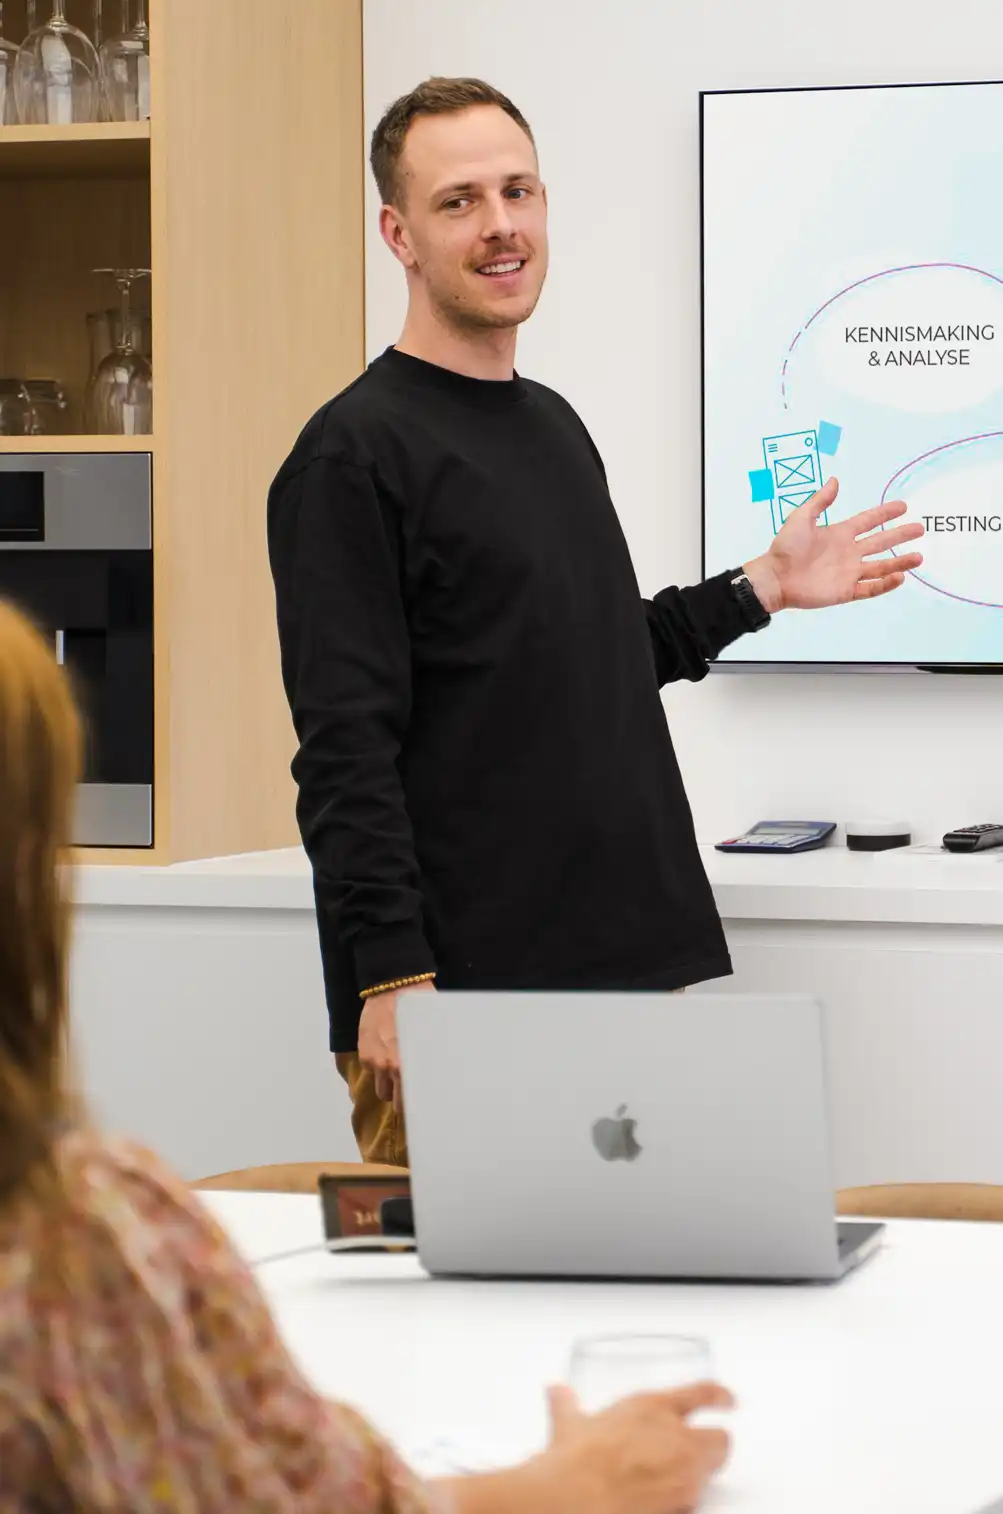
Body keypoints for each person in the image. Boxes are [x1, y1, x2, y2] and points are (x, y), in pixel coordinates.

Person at [267, 77, 924, 1167]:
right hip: (463, 999)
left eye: (517, 191)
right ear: (399, 234)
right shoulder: (351, 455)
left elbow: (592, 661)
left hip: (626, 970)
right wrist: (390, 974)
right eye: (459, 201)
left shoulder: (551, 424)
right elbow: (343, 747)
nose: (500, 224)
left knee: (645, 1276)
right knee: (456, 1286)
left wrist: (761, 584)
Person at [0, 601, 734, 1510]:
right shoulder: (76, 1240)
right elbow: (303, 1497)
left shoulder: (91, 1232)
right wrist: (569, 1485)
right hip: (459, 1003)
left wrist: (746, 596)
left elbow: (578, 660)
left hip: (597, 967)